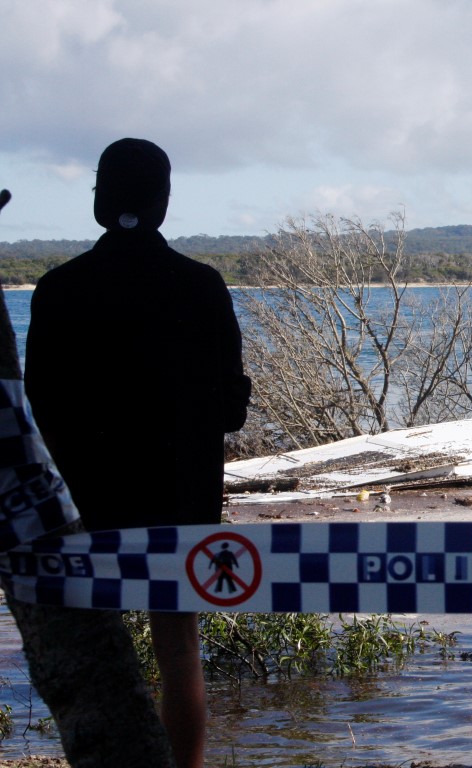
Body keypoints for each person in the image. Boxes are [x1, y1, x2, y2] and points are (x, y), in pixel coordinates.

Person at [24, 138, 251, 768]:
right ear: (164, 202)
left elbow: (37, 411)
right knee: (179, 650)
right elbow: (231, 407)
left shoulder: (57, 290)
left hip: (86, 510)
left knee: (95, 657)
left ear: (100, 198)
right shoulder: (202, 287)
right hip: (179, 502)